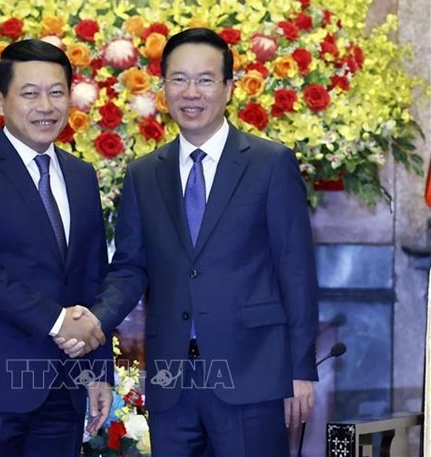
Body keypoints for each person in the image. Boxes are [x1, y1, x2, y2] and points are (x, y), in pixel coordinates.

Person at [58, 27, 319, 457]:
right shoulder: (145, 173)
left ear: (229, 88)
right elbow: (129, 267)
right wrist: (94, 320)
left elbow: (296, 270)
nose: (191, 92)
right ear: (163, 89)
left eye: (205, 79)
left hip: (252, 373)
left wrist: (300, 369)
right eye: (178, 79)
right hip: (171, 380)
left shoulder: (271, 164)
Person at [0, 39, 113, 457]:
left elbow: (91, 278)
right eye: (29, 93)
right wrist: (58, 321)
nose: (45, 105)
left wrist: (99, 372)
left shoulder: (81, 176)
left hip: (65, 386)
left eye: (57, 91)